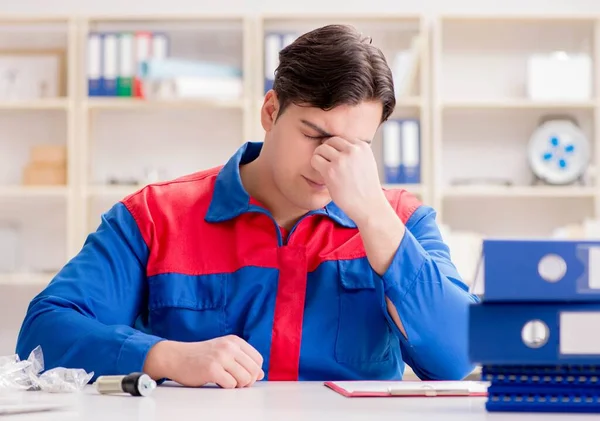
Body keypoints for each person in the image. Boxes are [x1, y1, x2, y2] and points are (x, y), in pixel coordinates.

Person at [16, 24, 479, 389]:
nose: (328, 163)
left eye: (354, 147)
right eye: (315, 135)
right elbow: (43, 333)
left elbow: (458, 358)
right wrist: (164, 356)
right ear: (271, 111)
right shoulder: (156, 216)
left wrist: (375, 220)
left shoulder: (402, 221)